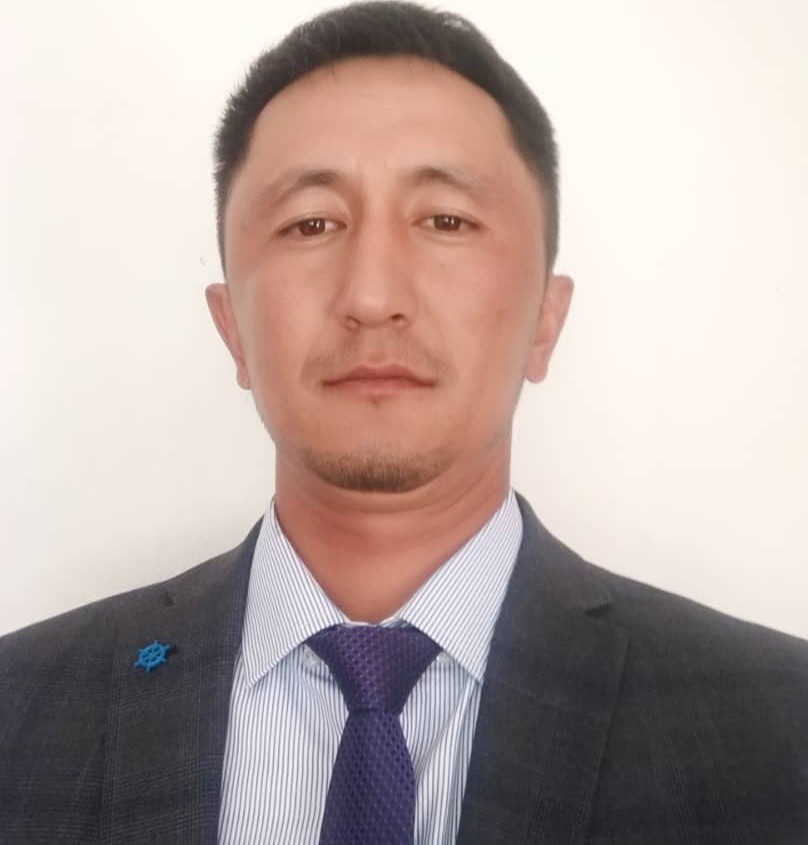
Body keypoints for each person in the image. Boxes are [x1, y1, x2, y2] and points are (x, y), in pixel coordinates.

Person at [2, 1, 807, 842]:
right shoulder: (21, 713)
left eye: (445, 220)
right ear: (232, 326)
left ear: (546, 317)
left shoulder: (778, 730)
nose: (372, 296)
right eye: (311, 223)